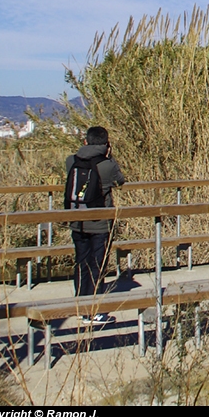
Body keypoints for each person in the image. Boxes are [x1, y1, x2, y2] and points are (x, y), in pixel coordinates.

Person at [65, 126, 125, 324]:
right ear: (106, 144)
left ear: (85, 142)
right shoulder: (107, 164)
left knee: (81, 262)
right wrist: (110, 156)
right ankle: (95, 310)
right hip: (100, 223)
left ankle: (81, 306)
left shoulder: (71, 161)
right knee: (97, 265)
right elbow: (120, 181)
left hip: (76, 221)